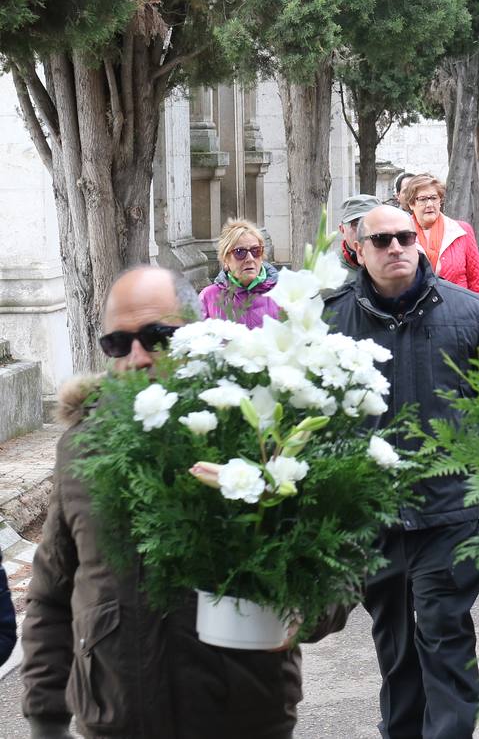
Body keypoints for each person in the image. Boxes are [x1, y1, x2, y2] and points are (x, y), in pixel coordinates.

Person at [24, 267, 336, 739]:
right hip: (115, 720)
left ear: (197, 331)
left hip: (242, 718)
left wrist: (301, 609)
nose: (136, 356)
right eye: (117, 343)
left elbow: (336, 570)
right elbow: (52, 593)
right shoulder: (83, 446)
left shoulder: (257, 431)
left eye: (156, 336)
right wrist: (45, 719)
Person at [325, 205, 479, 739]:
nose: (396, 247)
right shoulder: (330, 318)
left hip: (447, 514)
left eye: (406, 237)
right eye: (381, 240)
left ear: (420, 243)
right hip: (373, 520)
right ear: (358, 250)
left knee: (444, 638)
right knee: (397, 652)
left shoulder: (468, 312)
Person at [402, 174, 479, 305]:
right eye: (423, 199)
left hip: (459, 314)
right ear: (411, 203)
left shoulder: (461, 231)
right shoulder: (400, 235)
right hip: (416, 317)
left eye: (434, 198)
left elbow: (478, 282)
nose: (430, 204)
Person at [198, 218, 280, 328]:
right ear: (225, 260)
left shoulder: (281, 293)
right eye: (240, 252)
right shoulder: (209, 297)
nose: (250, 258)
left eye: (256, 251)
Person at [337, 193, 383, 279]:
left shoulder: (394, 257)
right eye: (356, 224)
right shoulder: (330, 271)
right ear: (342, 229)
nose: (364, 230)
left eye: (371, 222)